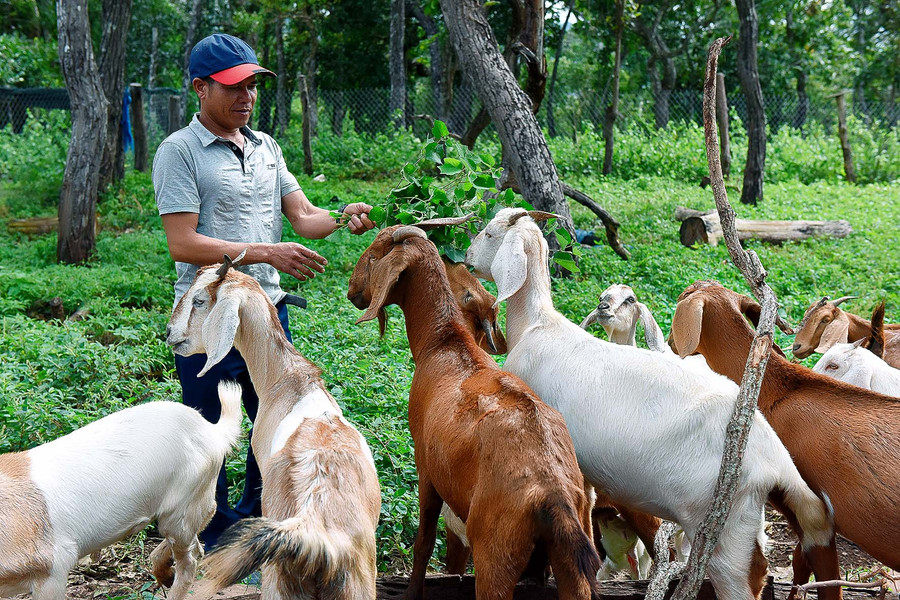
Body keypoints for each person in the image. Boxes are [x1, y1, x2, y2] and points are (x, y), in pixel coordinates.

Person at [152, 33, 375, 550]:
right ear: (200, 89)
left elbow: (302, 216)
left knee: (273, 425)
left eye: (251, 84)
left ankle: (256, 531)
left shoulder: (266, 146)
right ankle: (211, 538)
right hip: (211, 317)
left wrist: (342, 217)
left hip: (267, 315)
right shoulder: (179, 152)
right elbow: (183, 242)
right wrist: (266, 252)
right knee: (211, 434)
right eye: (233, 86)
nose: (246, 96)